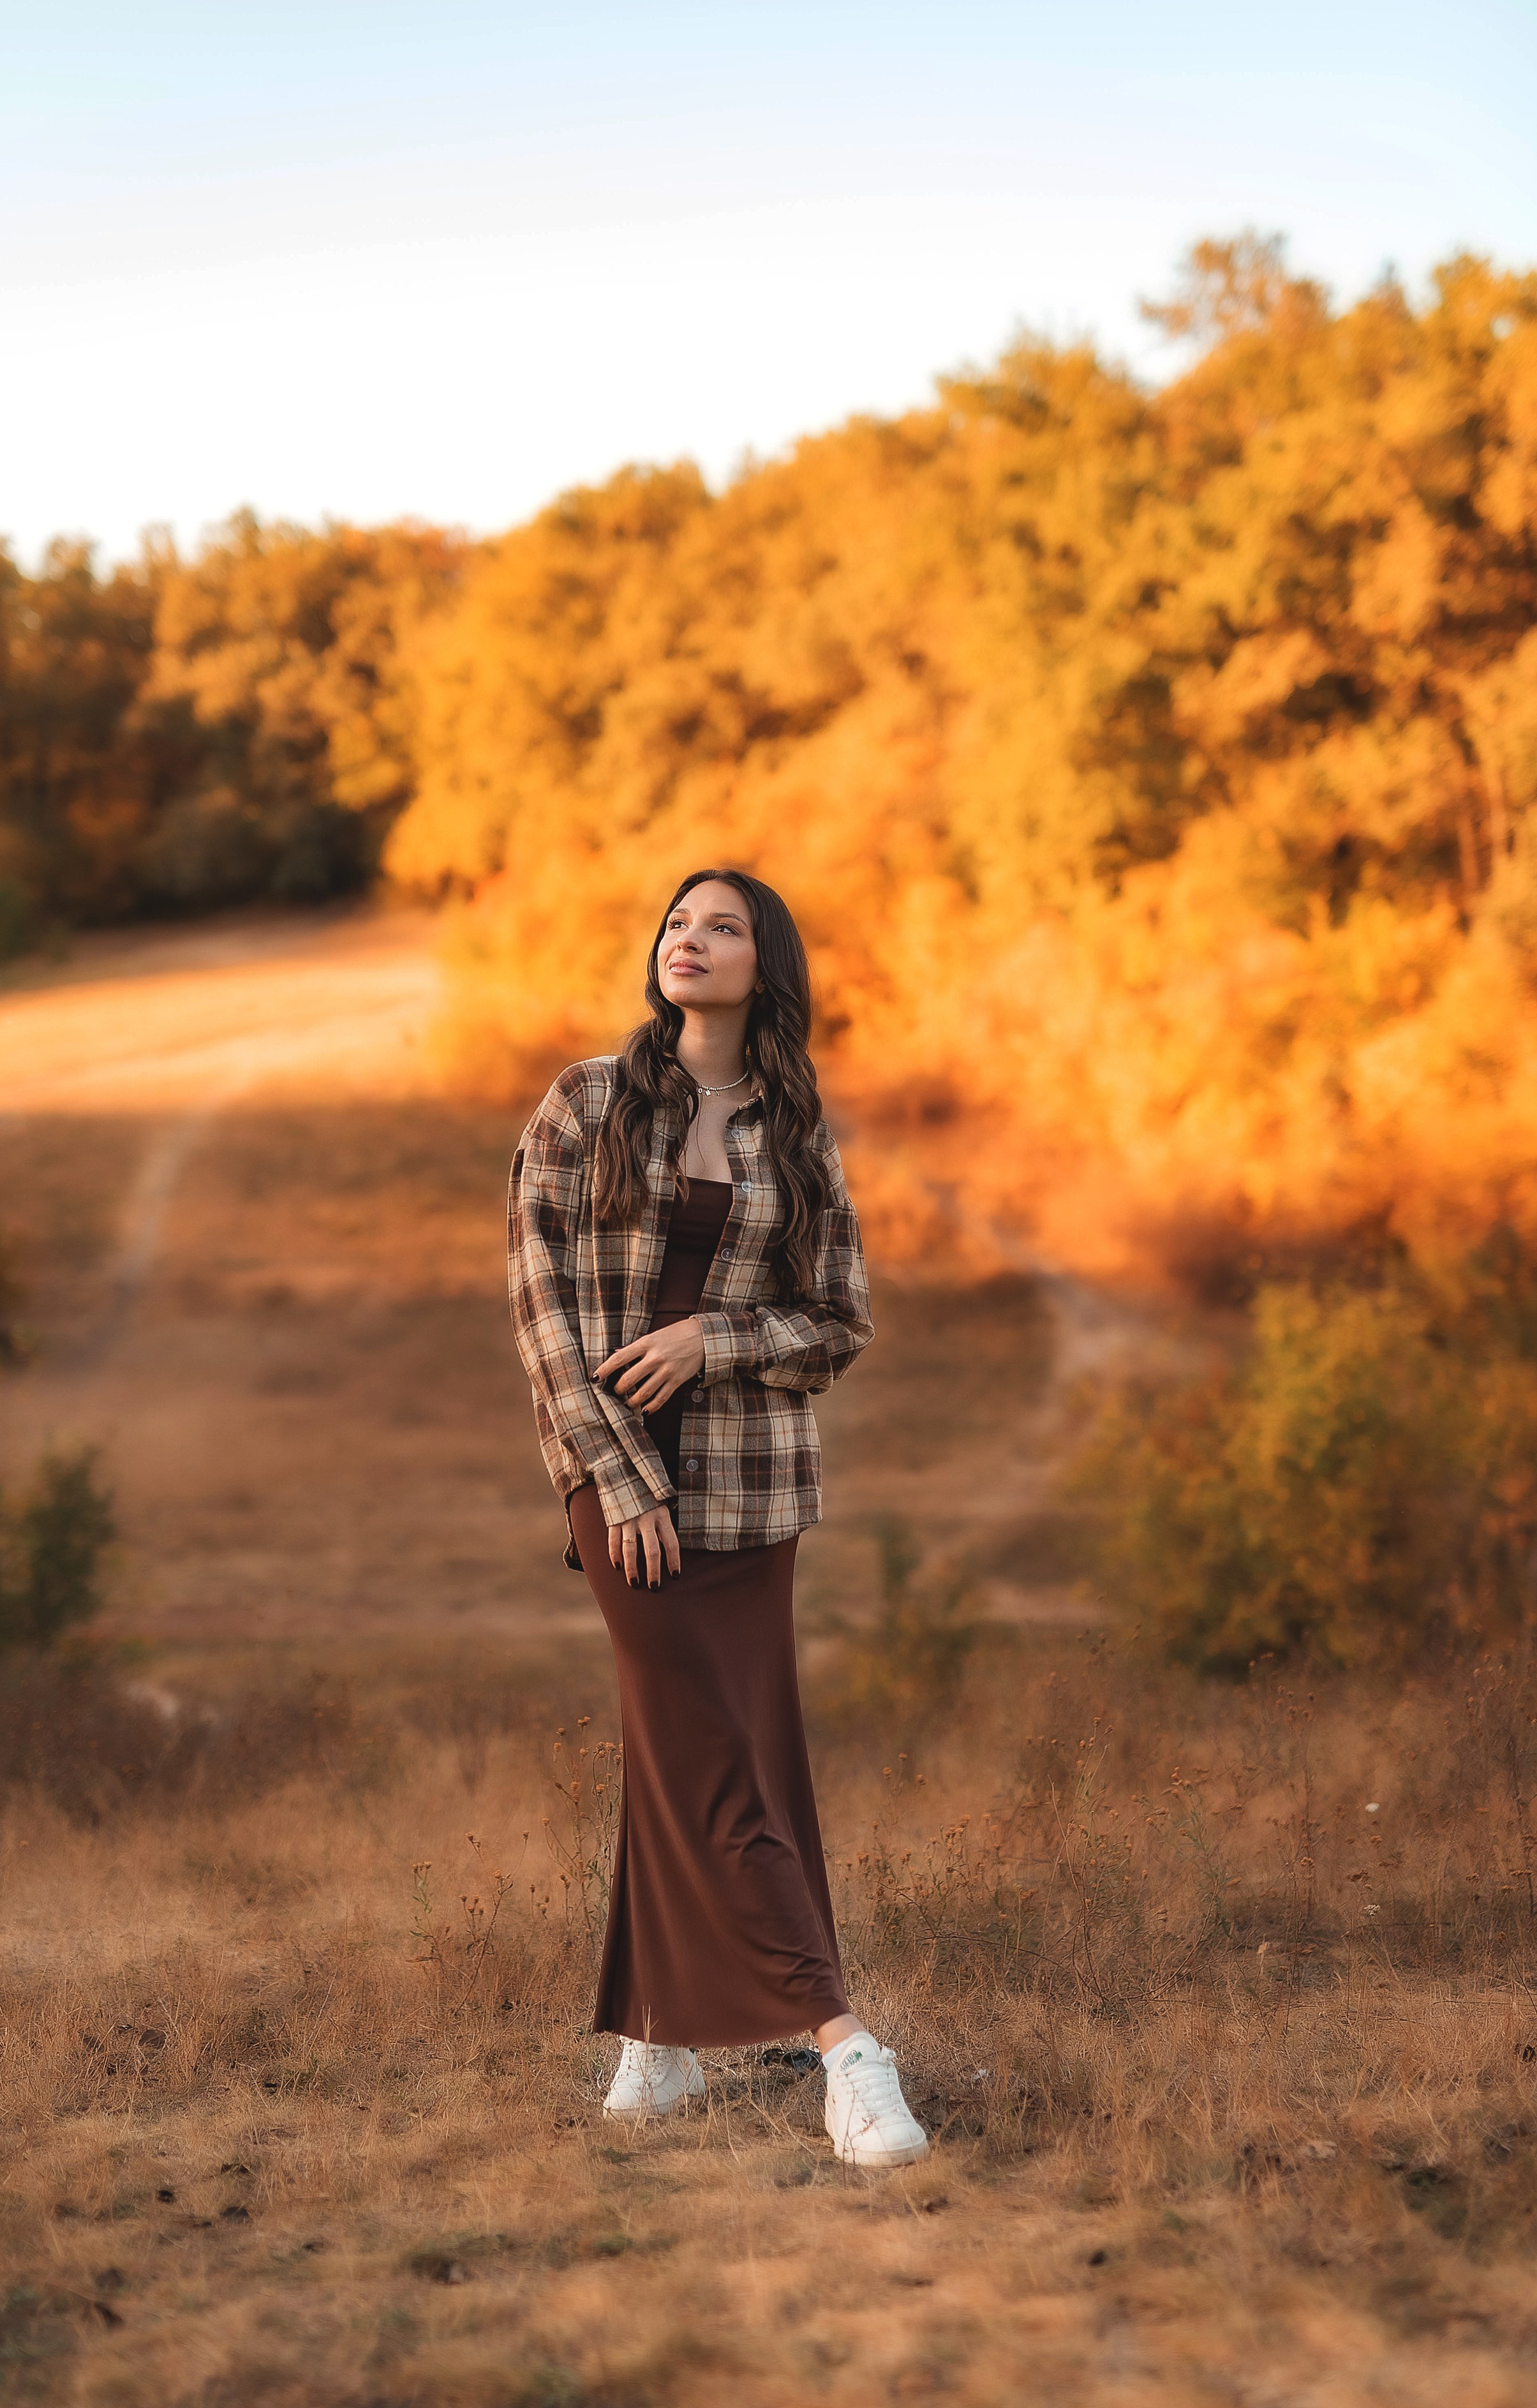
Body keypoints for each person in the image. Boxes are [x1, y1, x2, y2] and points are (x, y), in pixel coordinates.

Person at [507, 867, 930, 2169]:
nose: (689, 940)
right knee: (717, 1760)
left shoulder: (794, 1133)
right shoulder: (584, 1103)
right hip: (623, 1492)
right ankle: (841, 2046)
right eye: (679, 922)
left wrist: (710, 1339)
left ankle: (661, 2034)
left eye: (723, 926)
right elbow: (541, 1309)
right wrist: (617, 1477)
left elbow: (838, 1320)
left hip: (753, 1495)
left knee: (711, 1749)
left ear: (766, 966)